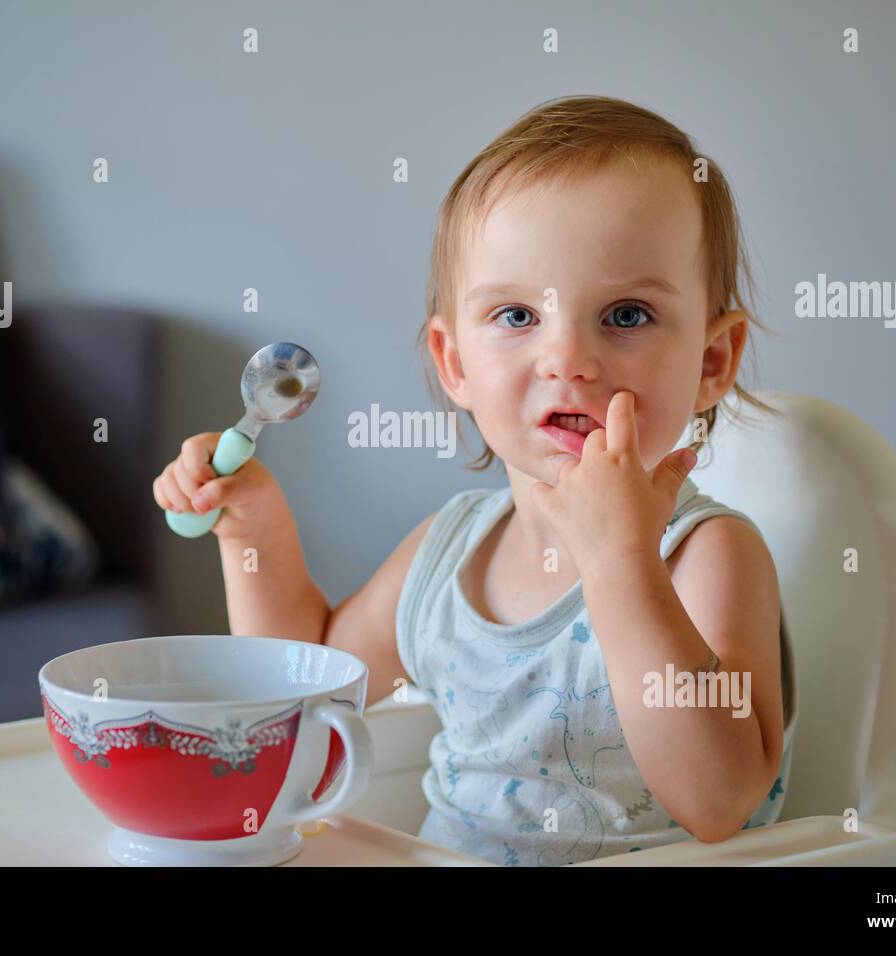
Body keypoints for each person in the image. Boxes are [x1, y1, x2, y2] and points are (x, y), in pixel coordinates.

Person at [153, 95, 797, 867]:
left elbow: (719, 801)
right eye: (518, 316)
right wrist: (253, 531)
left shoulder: (707, 556)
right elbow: (307, 681)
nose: (567, 358)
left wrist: (618, 559)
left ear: (711, 362)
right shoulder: (449, 551)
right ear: (454, 362)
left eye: (626, 315)